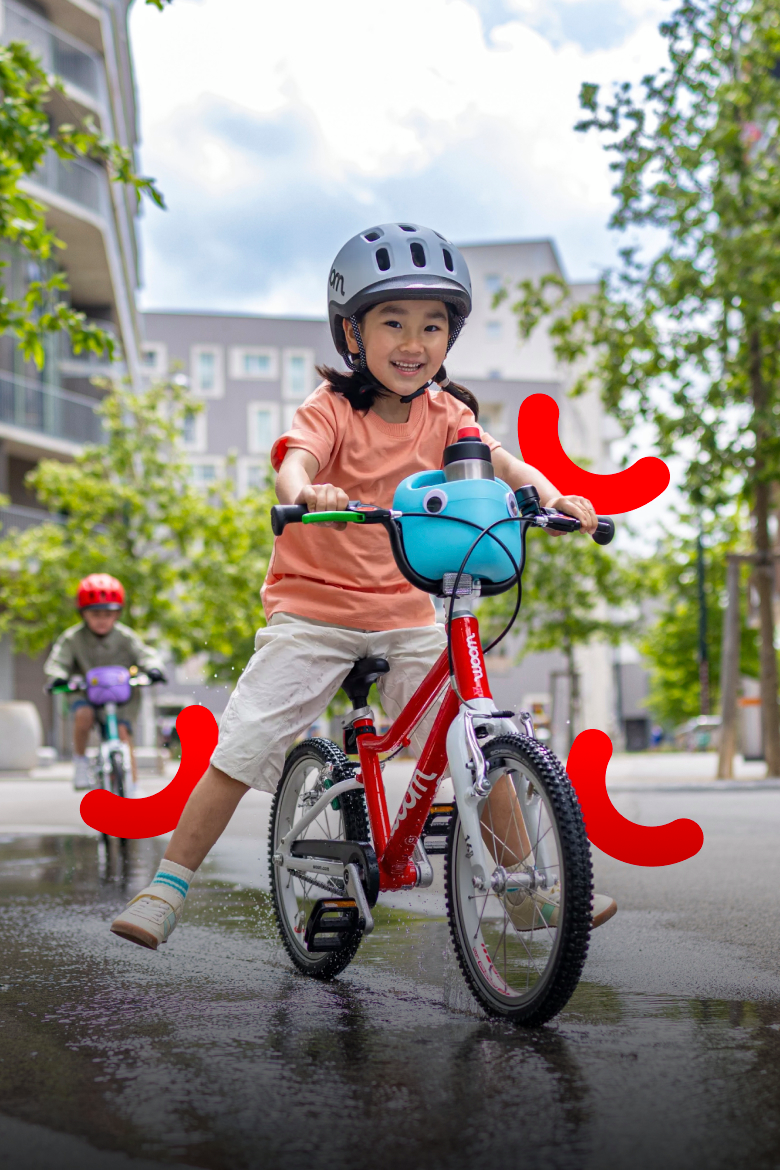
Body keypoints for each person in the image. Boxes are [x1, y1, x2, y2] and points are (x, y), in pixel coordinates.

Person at [110, 223, 617, 950]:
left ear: (450, 338)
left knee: (472, 729)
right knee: (247, 738)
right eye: (394, 323)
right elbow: (296, 458)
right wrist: (307, 488)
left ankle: (529, 890)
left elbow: (500, 463)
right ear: (352, 332)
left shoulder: (449, 415)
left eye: (433, 326)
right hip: (315, 610)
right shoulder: (332, 407)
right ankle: (167, 885)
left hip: (410, 607)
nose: (415, 342)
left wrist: (552, 496)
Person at [45, 574, 167, 792]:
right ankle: (80, 762)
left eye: (108, 614)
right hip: (85, 693)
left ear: (117, 613)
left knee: (123, 734)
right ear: (83, 614)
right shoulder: (73, 638)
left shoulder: (125, 637)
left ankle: (132, 787)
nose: (102, 619)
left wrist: (154, 669)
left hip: (122, 697)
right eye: (95, 614)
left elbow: (146, 654)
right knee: (83, 716)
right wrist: (57, 677)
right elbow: (57, 662)